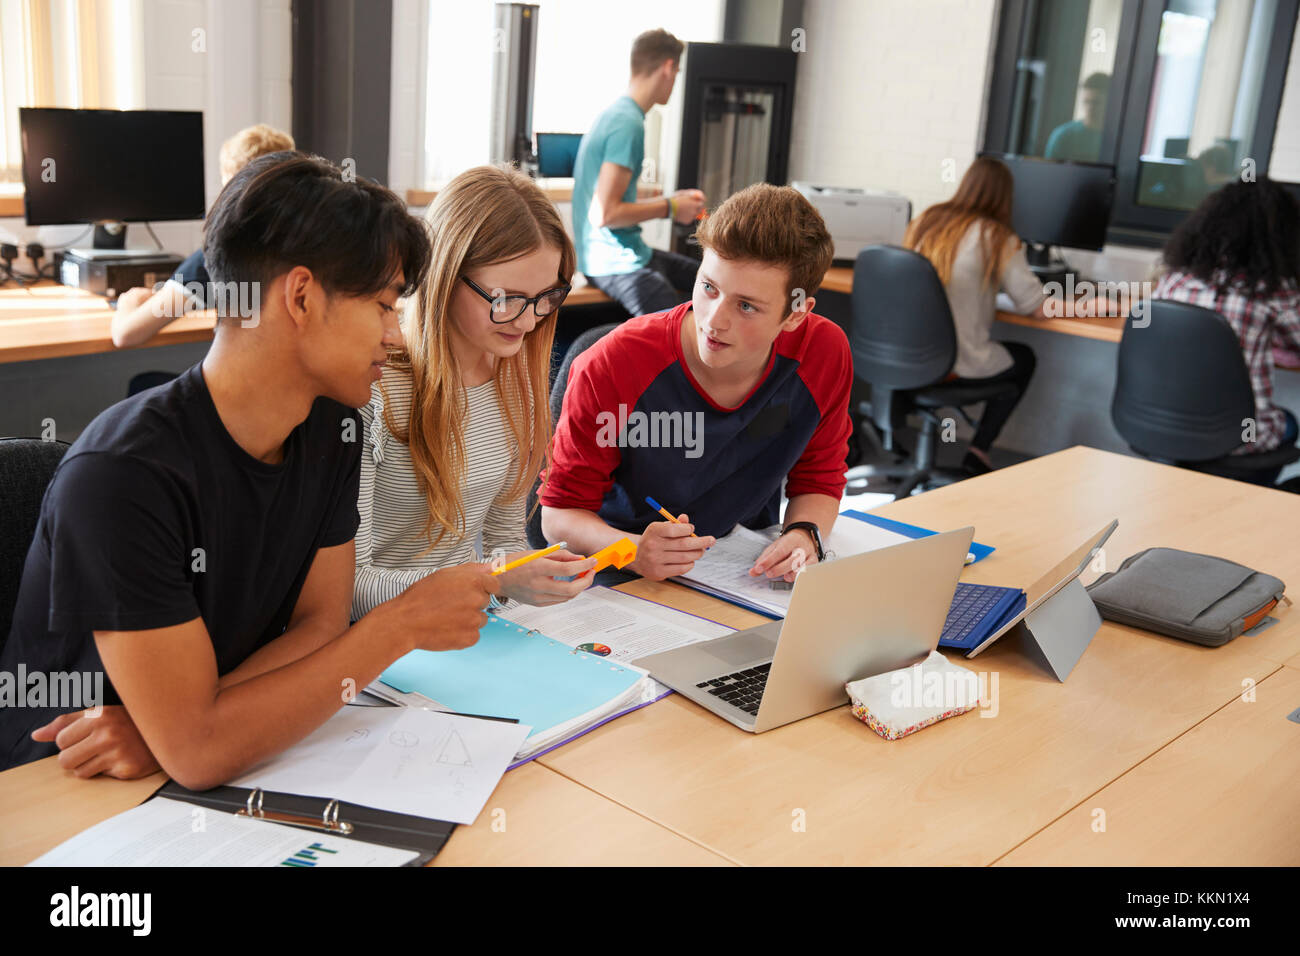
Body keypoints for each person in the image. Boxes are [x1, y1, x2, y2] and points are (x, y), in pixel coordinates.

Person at [0, 152, 498, 781]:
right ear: (300, 297)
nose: (395, 336)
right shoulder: (120, 476)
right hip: (63, 783)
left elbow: (319, 628)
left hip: (215, 752)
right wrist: (395, 629)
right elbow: (200, 755)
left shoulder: (331, 426)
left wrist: (191, 725)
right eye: (382, 305)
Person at [541, 183, 850, 584]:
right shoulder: (612, 364)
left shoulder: (823, 351)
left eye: (746, 306)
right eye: (709, 287)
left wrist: (804, 535)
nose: (714, 320)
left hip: (742, 570)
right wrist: (632, 551)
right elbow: (558, 517)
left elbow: (819, 478)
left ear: (795, 315)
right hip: (622, 575)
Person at [353, 166, 597, 617]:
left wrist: (531, 572)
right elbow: (349, 589)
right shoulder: (373, 389)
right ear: (445, 277)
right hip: (379, 642)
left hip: (468, 627)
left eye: (547, 297)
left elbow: (502, 540)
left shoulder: (514, 382)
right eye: (505, 299)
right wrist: (492, 579)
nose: (527, 322)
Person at [904, 155, 1050, 475]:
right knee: (1025, 357)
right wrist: (1102, 303)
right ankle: (979, 450)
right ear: (1005, 197)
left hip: (906, 358)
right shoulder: (997, 237)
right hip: (952, 365)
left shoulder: (928, 220)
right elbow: (1035, 305)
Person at [1154, 178, 1300, 483]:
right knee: (1288, 423)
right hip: (1238, 438)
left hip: (1161, 426)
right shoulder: (1273, 291)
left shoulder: (1173, 282)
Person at [111, 124, 295, 351]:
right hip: (293, 382)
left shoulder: (218, 256)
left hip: (238, 383)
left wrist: (127, 304)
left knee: (142, 383)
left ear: (232, 185)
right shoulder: (310, 247)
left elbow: (126, 334)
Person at [571, 28, 707, 316]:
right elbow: (605, 213)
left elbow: (613, 205)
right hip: (614, 264)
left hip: (627, 255)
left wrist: (674, 202)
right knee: (684, 328)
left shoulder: (618, 114)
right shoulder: (627, 124)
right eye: (678, 71)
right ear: (668, 68)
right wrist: (670, 207)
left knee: (710, 281)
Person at [1044, 72, 1108, 163]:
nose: (1090, 108)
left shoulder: (1117, 138)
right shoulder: (1062, 136)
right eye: (1086, 102)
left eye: (1096, 102)